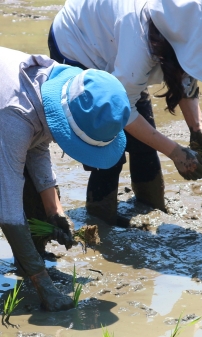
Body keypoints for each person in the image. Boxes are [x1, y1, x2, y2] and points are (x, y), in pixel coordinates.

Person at [48, 0, 202, 226]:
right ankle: (102, 219)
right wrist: (175, 152)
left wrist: (198, 128)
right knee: (109, 148)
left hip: (121, 54)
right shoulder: (139, 41)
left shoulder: (191, 20)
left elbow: (185, 73)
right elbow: (124, 111)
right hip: (81, 46)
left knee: (146, 144)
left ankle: (152, 205)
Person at [0, 47, 133, 311]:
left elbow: (36, 145)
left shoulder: (51, 91)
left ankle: (27, 265)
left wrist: (55, 210)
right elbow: (8, 211)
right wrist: (44, 285)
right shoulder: (15, 114)